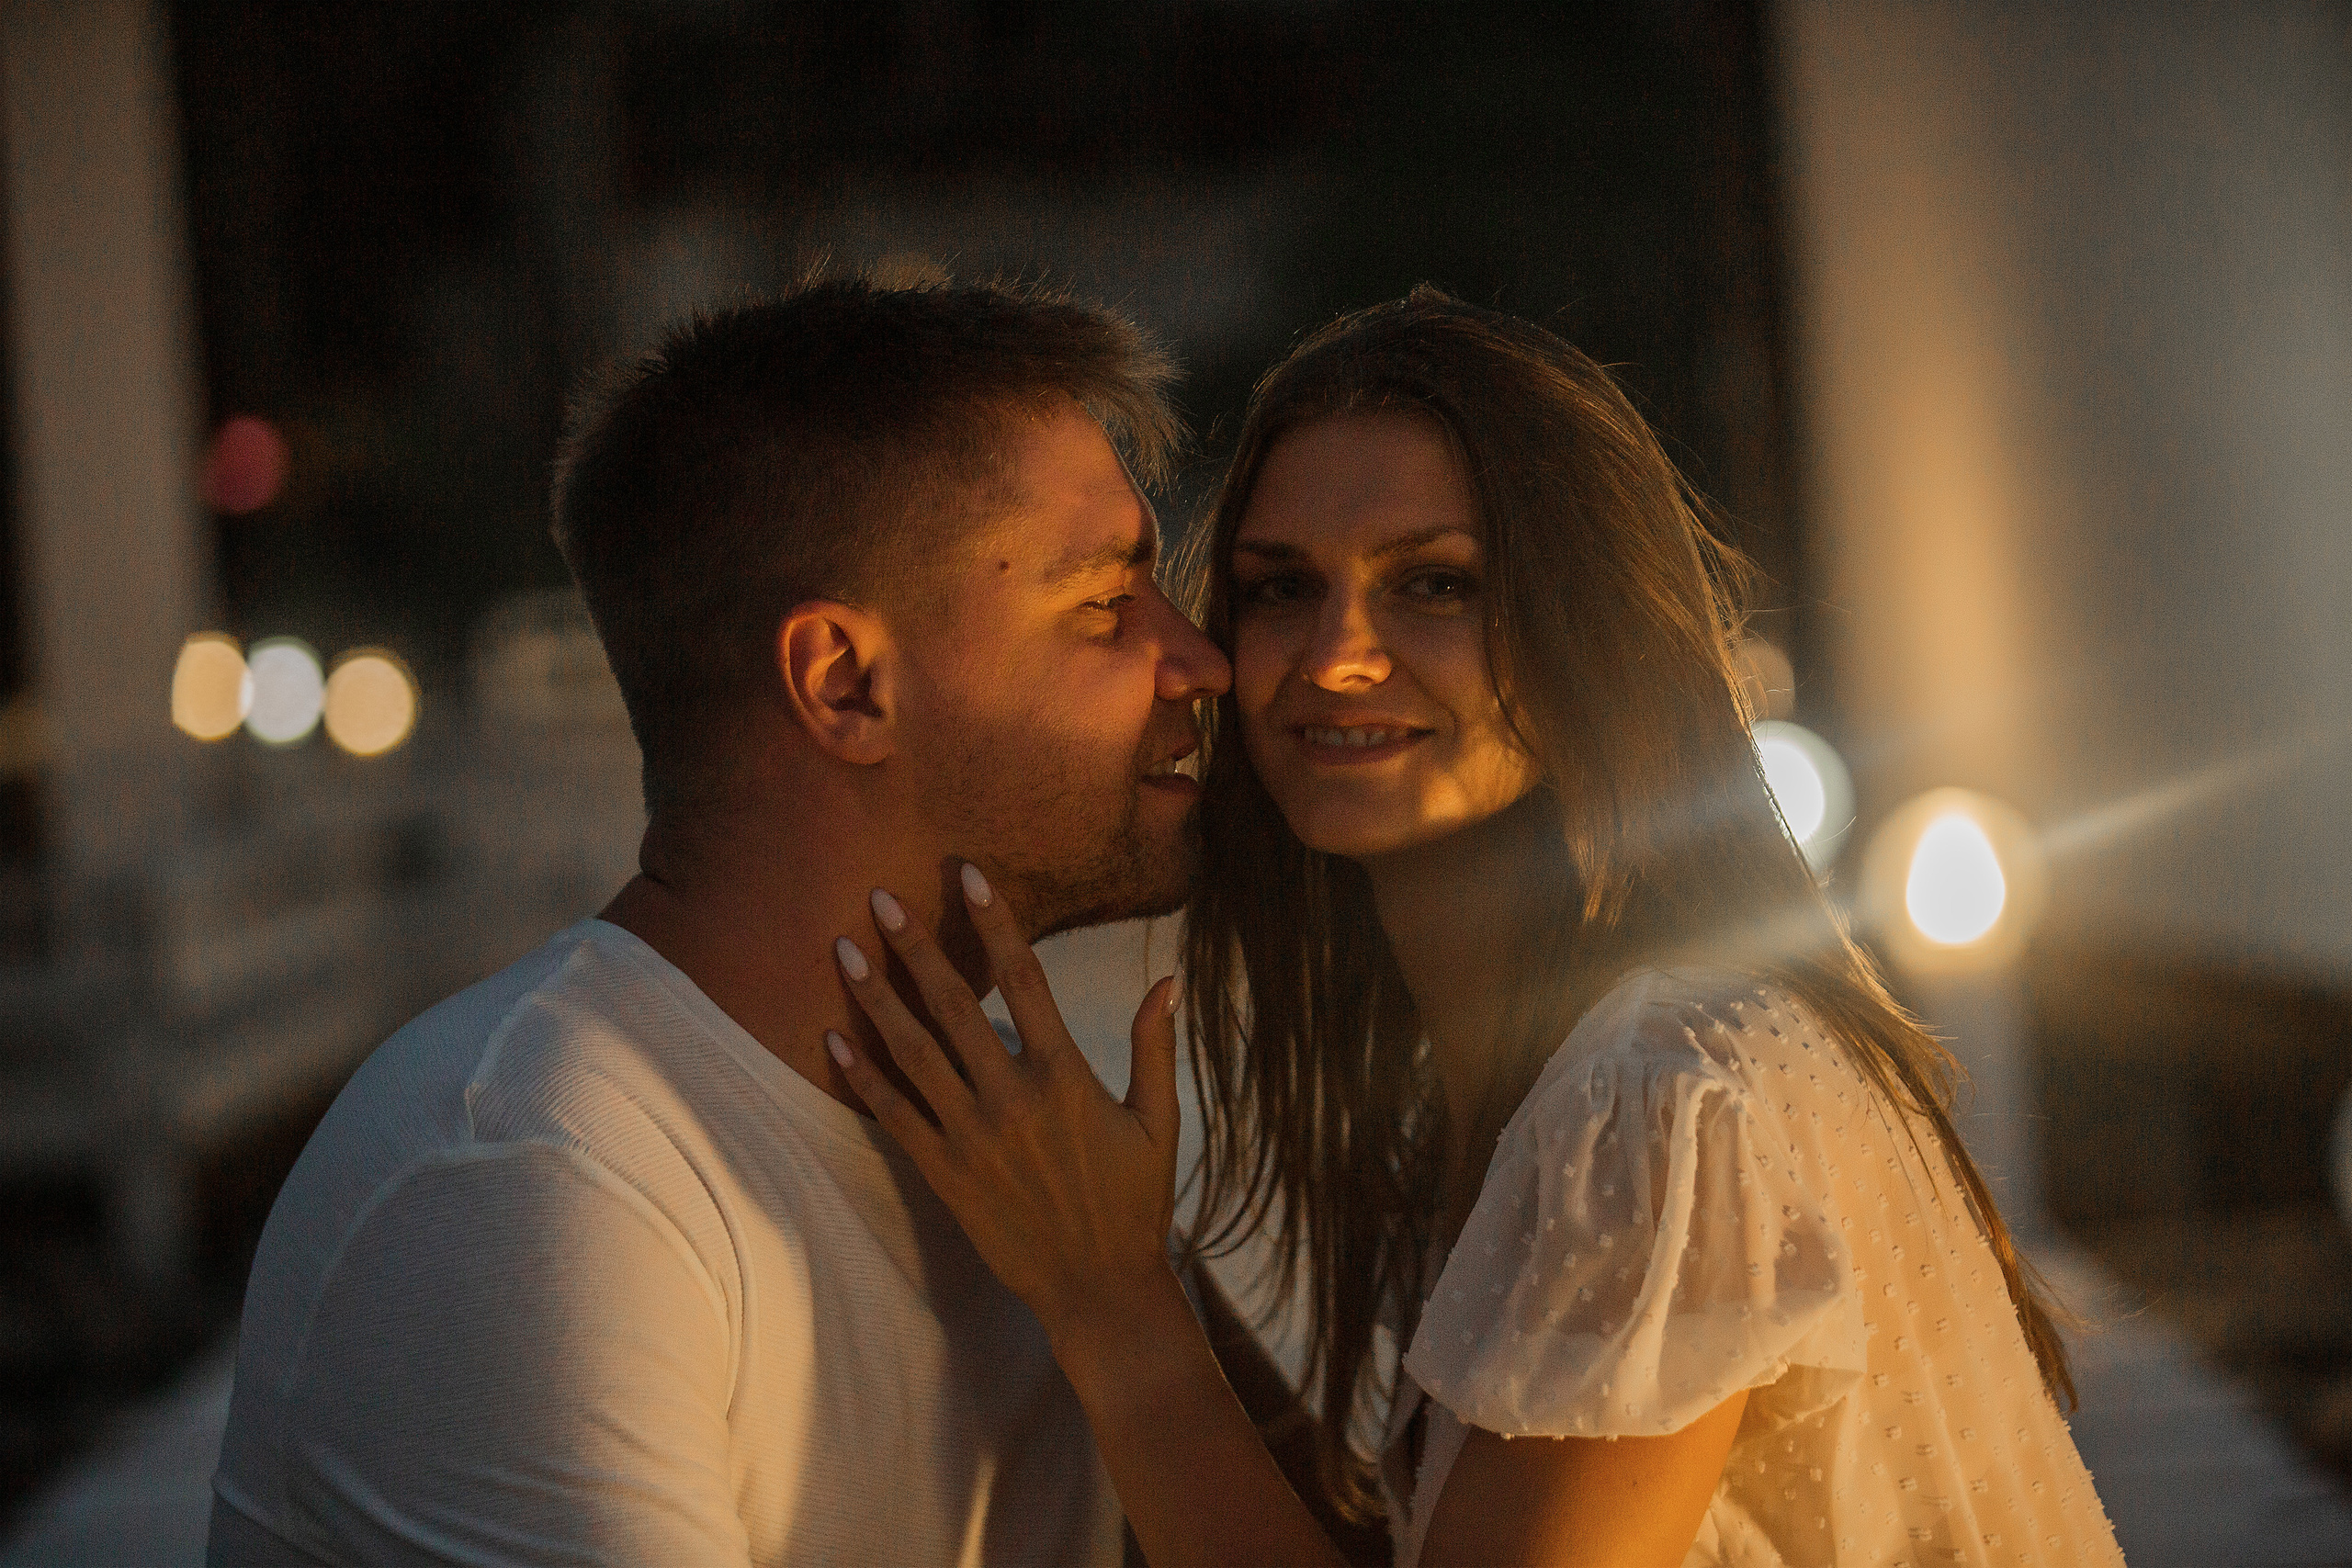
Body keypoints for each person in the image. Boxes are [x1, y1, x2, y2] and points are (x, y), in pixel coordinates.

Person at [827, 288, 2129, 1565]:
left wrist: (1113, 1309)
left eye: (1434, 586)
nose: (1335, 655)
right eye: (1279, 588)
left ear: (1587, 631)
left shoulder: (1674, 1096)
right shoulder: (1520, 1079)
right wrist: (1111, 1247)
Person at [206, 278, 1235, 1565]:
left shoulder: (1036, 1172)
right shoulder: (534, 1180)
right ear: (846, 685)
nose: (1199, 661)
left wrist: (1136, 1306)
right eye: (1102, 604)